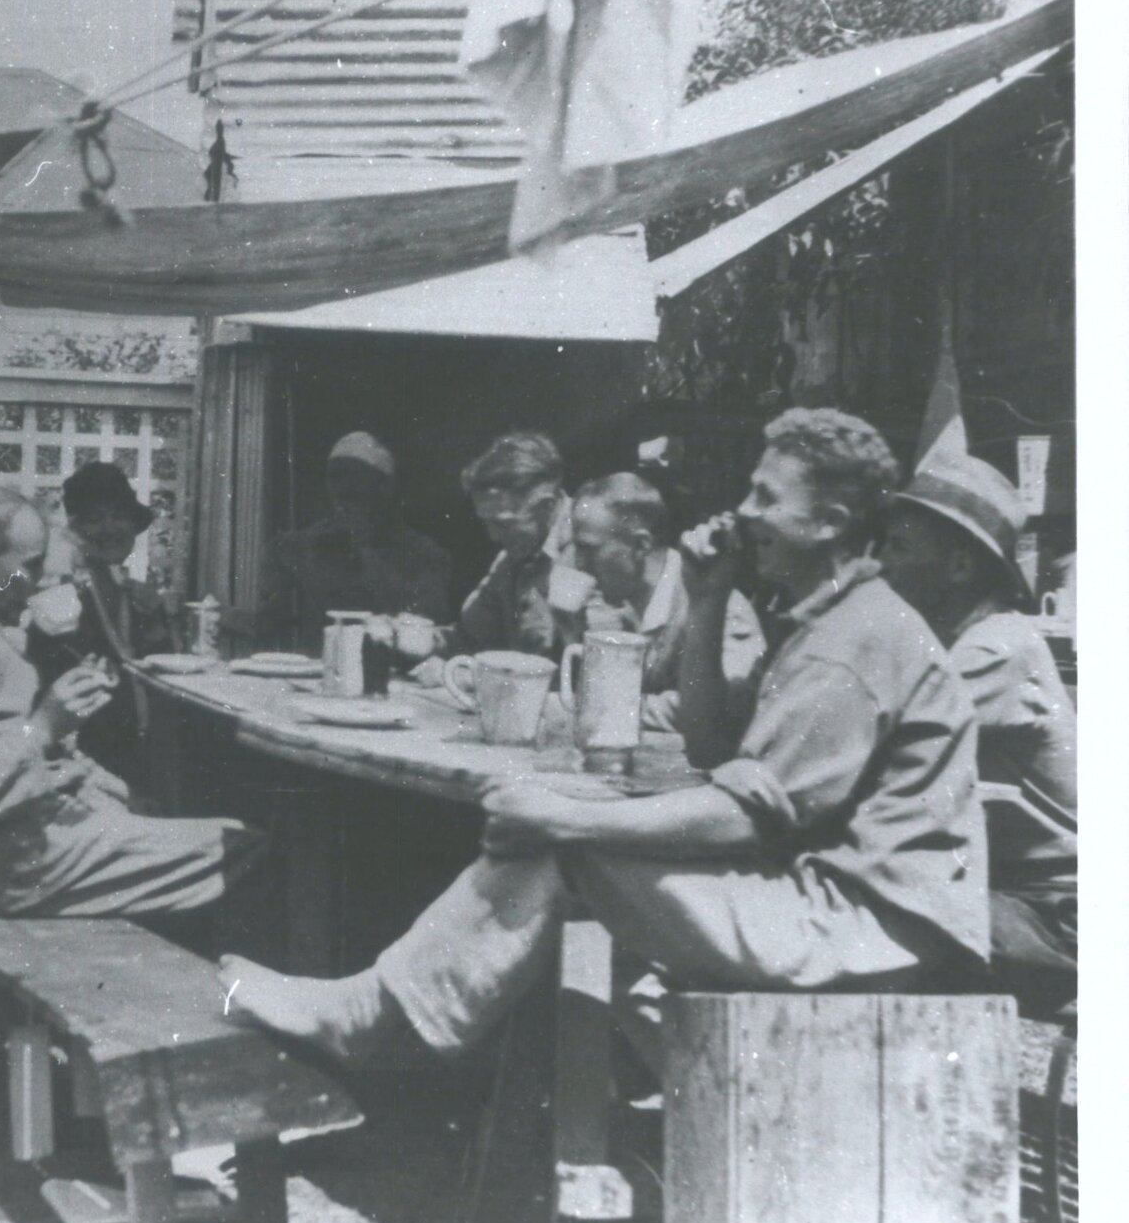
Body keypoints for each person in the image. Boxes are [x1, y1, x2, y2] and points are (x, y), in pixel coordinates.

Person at [221, 409, 988, 1065]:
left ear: (829, 523)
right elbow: (710, 748)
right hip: (829, 904)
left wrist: (567, 816)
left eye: (764, 496)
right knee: (566, 839)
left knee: (565, 846)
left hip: (865, 928)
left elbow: (740, 814)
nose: (744, 510)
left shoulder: (852, 639)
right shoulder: (821, 619)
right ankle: (386, 1011)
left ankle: (370, 1013)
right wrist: (711, 591)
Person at [0, 486, 263, 918]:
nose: (35, 587)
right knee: (243, 845)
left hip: (27, 835)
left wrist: (100, 780)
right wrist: (45, 726)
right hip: (9, 866)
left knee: (202, 822)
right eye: (30, 568)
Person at [877, 452, 1077, 1006]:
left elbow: (869, 746)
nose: (880, 565)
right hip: (1013, 898)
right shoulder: (956, 643)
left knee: (869, 923)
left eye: (899, 546)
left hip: (1056, 914)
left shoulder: (995, 648)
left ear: (960, 567)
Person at [561, 472, 765, 727]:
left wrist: (613, 707)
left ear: (641, 546)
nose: (579, 565)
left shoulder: (720, 607)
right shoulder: (619, 608)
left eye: (589, 550)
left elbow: (728, 707)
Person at [26, 462, 177, 793]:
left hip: (141, 757)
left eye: (119, 515)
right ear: (75, 530)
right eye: (95, 519)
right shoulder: (61, 594)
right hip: (83, 767)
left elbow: (163, 682)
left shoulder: (131, 591)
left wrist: (154, 622)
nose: (110, 528)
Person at [257, 432, 454, 653]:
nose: (343, 490)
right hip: (316, 676)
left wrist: (365, 550)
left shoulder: (426, 555)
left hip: (393, 677)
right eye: (335, 477)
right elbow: (269, 621)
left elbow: (426, 629)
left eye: (355, 478)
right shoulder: (308, 545)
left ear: (384, 488)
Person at [445, 430, 577, 661]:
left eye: (503, 523)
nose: (493, 536)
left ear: (546, 505)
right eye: (486, 522)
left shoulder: (595, 546)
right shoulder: (512, 559)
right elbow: (468, 638)